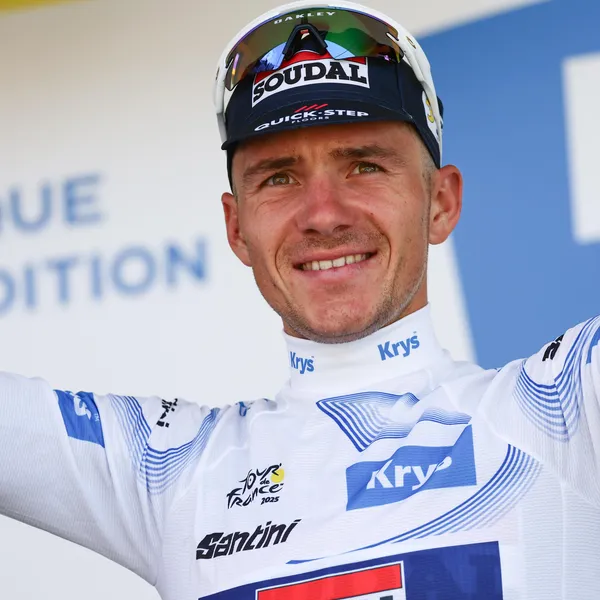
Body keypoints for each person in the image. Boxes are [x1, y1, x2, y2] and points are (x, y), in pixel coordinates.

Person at [1, 1, 599, 598]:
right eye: (279, 178)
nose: (323, 215)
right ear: (237, 229)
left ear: (440, 203)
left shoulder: (562, 415)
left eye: (364, 166)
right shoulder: (173, 473)